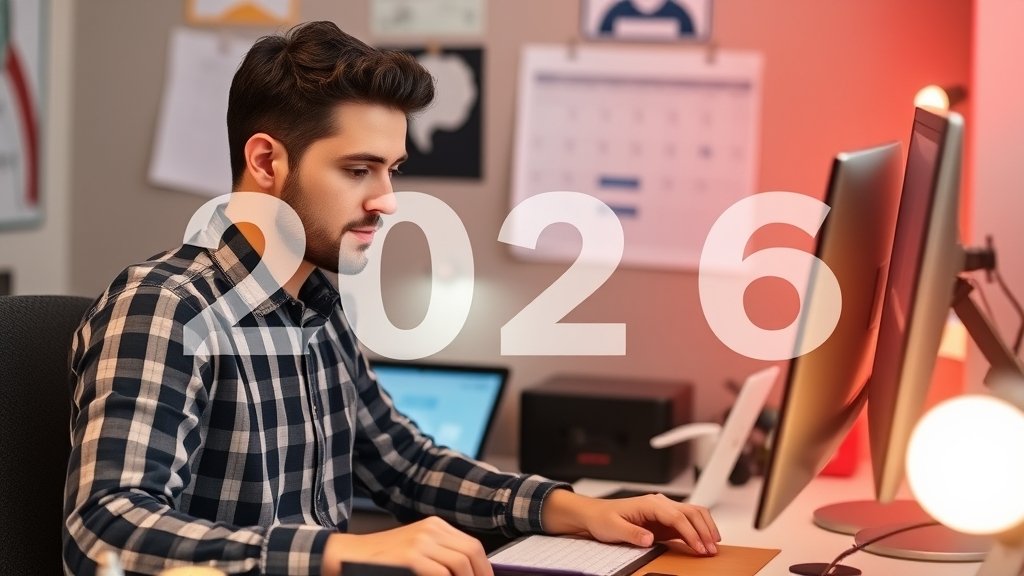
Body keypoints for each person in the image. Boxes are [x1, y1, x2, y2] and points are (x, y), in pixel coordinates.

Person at [62, 21, 720, 576]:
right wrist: (339, 552)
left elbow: (405, 467)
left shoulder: (316, 303)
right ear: (266, 161)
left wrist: (579, 510)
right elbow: (105, 532)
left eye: (391, 170)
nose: (387, 200)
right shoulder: (165, 307)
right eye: (357, 170)